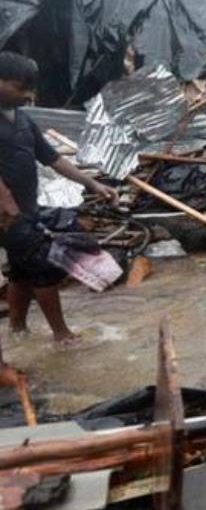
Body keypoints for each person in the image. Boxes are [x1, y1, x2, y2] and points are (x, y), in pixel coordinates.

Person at [0, 52, 118, 344]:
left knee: (20, 270)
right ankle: (62, 335)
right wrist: (5, 200)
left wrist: (92, 184)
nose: (28, 95)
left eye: (31, 88)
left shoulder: (23, 120)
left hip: (24, 210)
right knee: (43, 267)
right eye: (20, 87)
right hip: (6, 213)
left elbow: (52, 159)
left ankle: (17, 329)